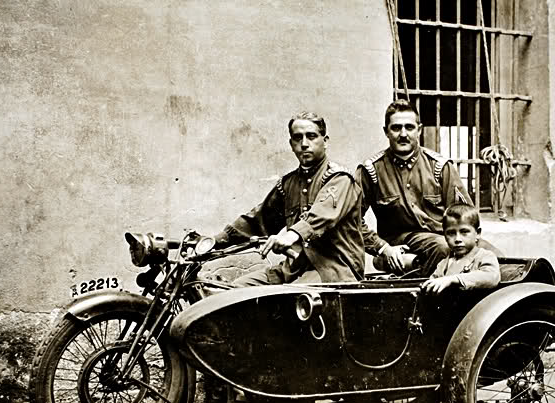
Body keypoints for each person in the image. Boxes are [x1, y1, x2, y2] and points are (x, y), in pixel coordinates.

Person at [213, 112, 364, 285]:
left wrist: (290, 236)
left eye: (312, 136)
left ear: (325, 141)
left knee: (288, 298)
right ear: (291, 144)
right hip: (296, 267)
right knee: (237, 289)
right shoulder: (288, 184)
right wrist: (214, 241)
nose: (304, 144)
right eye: (297, 138)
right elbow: (257, 221)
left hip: (335, 271)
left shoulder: (339, 179)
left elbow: (320, 216)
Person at [356, 99, 499, 277]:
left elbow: (466, 215)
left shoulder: (439, 166)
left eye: (409, 127)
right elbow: (351, 219)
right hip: (401, 241)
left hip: (446, 236)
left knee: (497, 257)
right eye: (396, 128)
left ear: (419, 130)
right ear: (386, 132)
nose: (403, 134)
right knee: (442, 248)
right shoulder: (371, 170)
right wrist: (383, 248)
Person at [421, 204, 501, 295]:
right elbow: (434, 282)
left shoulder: (484, 256)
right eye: (451, 233)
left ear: (477, 234)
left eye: (464, 232)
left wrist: (455, 279)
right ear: (445, 236)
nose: (457, 239)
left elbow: (491, 277)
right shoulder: (444, 264)